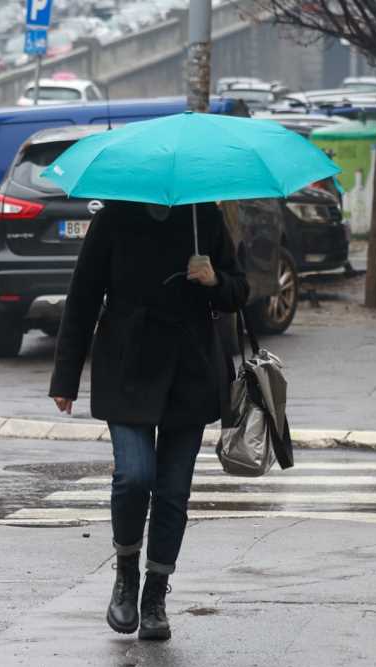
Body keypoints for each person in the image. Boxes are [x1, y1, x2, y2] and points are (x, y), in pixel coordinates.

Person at [49, 201, 249, 640]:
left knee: (174, 491)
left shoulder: (204, 217)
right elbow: (84, 295)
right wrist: (66, 376)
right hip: (126, 367)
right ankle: (126, 575)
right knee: (135, 476)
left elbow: (240, 291)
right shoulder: (115, 218)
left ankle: (155, 594)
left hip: (190, 371)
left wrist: (214, 279)